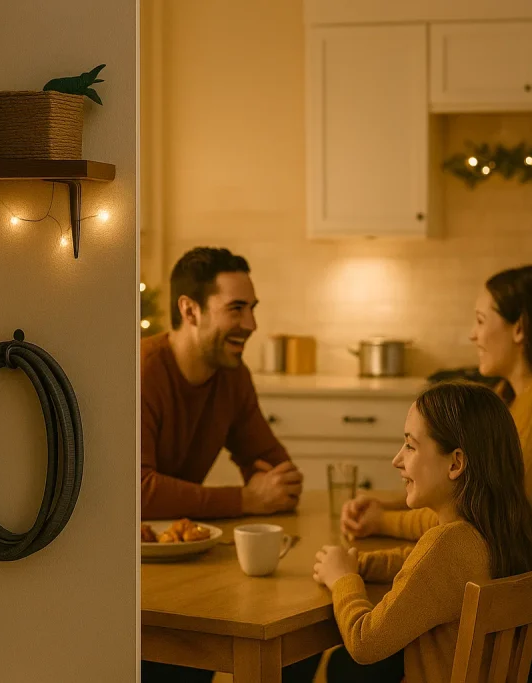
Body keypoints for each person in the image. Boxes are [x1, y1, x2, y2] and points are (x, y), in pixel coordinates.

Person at [338, 265, 532, 679]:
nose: (472, 335)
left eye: (480, 320)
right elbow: (462, 492)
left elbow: (482, 504)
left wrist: (383, 520)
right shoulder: (508, 398)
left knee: (385, 652)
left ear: (519, 328)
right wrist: (388, 497)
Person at [141, 246, 318, 683]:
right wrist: (246, 498)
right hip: (135, 580)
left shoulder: (232, 375)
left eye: (252, 309)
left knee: (297, 644)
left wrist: (269, 488)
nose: (252, 325)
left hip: (190, 569)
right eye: (236, 309)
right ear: (190, 310)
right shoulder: (142, 372)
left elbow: (278, 471)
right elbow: (138, 493)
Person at [314, 380, 532, 683]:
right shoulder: (509, 528)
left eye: (411, 445)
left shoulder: (448, 545)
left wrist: (344, 580)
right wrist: (357, 564)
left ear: (456, 463)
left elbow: (365, 643)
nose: (397, 460)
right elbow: (418, 563)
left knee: (344, 667)